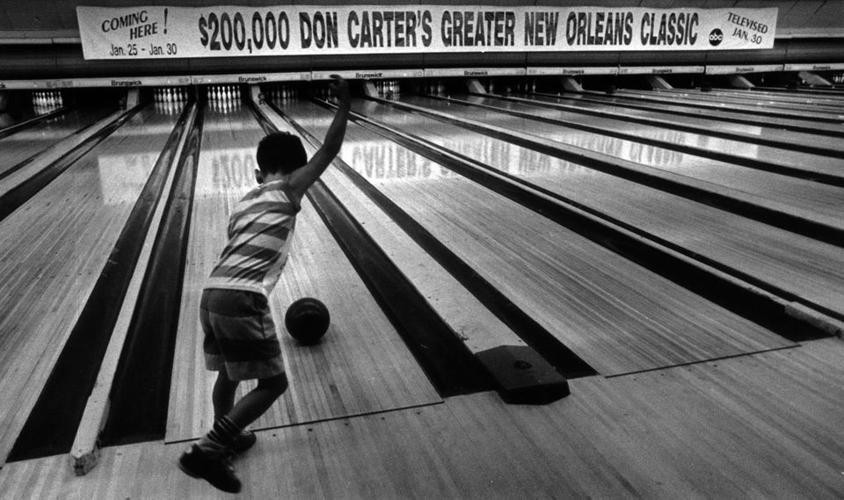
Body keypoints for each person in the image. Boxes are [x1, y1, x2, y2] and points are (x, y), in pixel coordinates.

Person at [178, 75, 351, 493]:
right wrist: (344, 104)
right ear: (296, 170)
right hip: (243, 298)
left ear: (258, 173)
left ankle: (230, 435)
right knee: (274, 384)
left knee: (230, 374)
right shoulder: (291, 186)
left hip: (211, 294)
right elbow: (328, 149)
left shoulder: (244, 202)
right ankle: (208, 451)